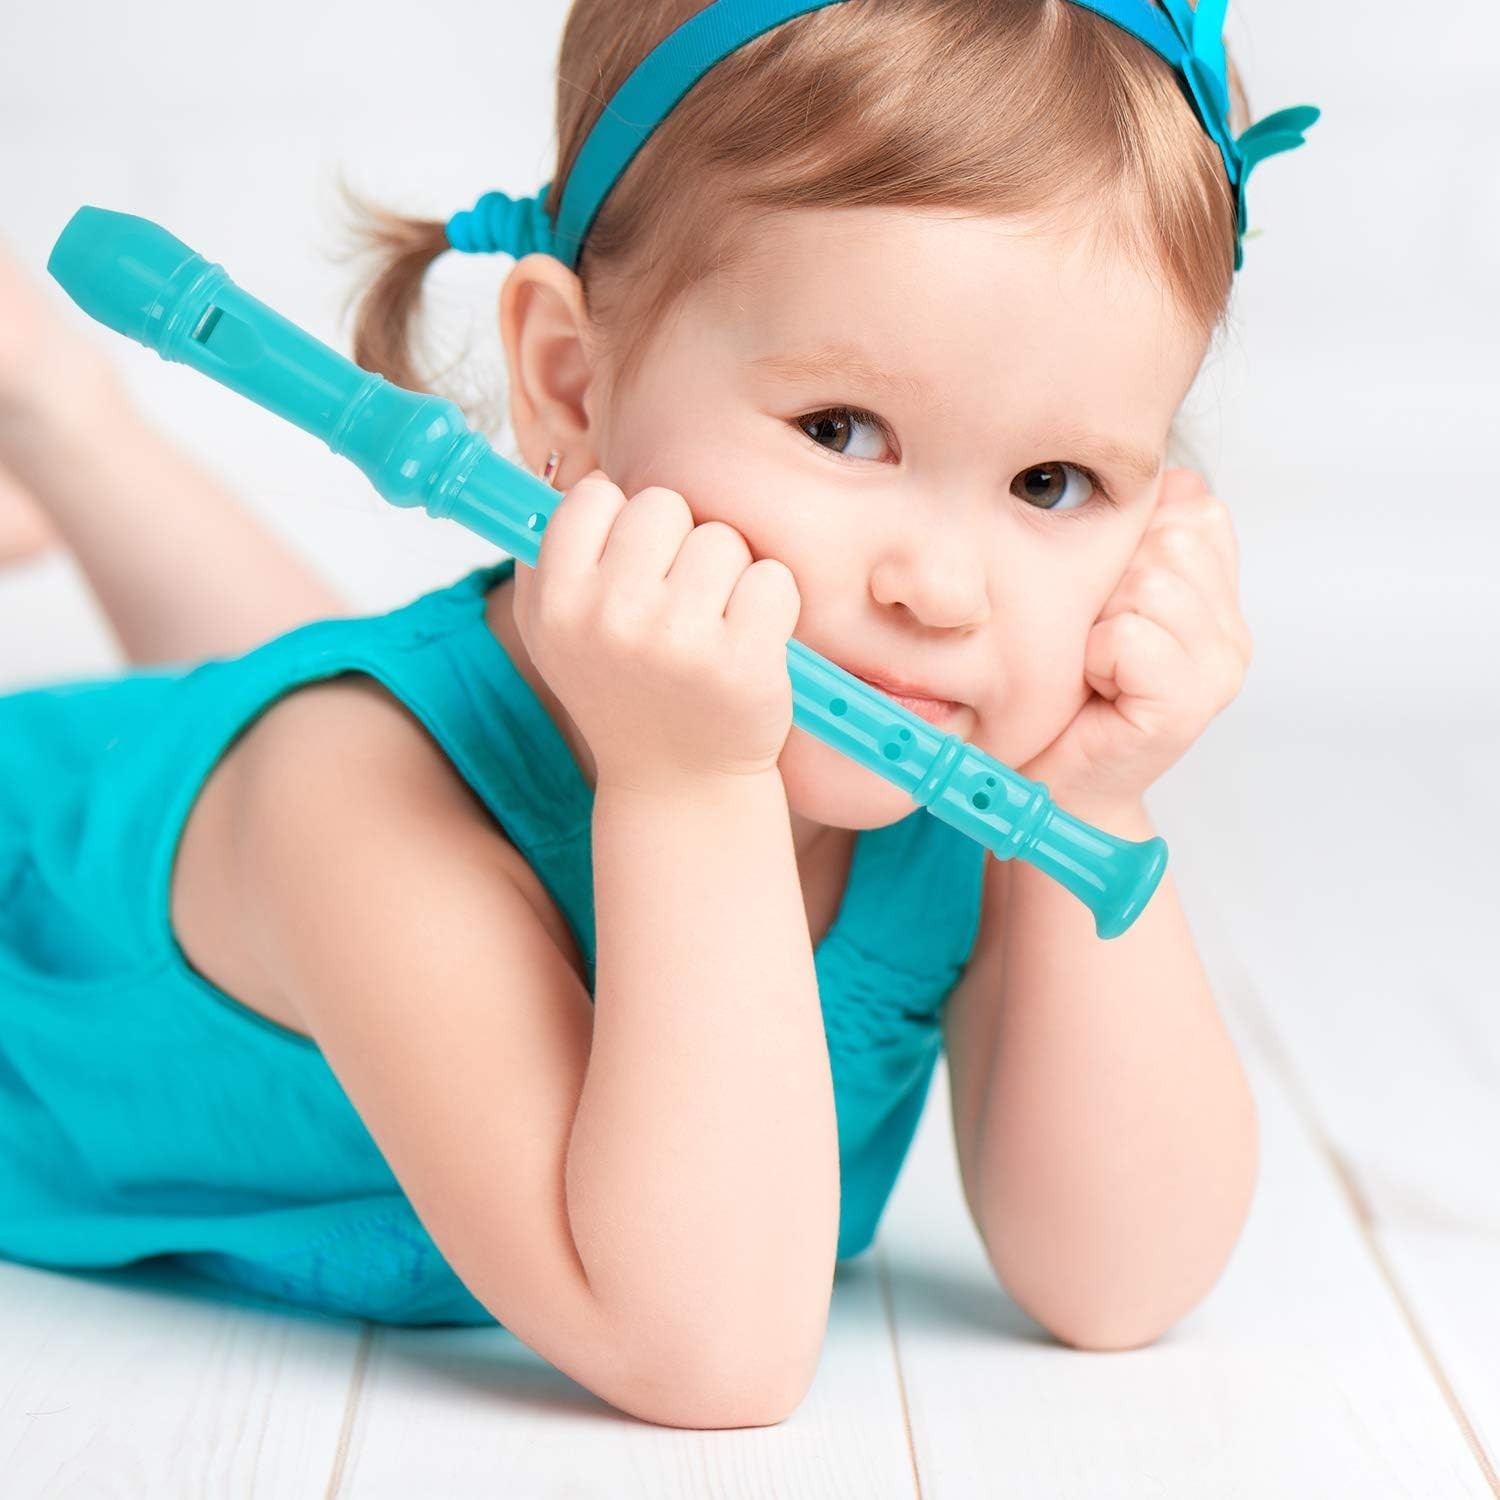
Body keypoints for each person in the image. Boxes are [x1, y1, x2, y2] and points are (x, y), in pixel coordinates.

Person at [0, 0, 1316, 1431]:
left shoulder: (942, 773)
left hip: (246, 776)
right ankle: (71, 425)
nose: (944, 590)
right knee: (331, 716)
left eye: (1055, 483)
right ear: (569, 382)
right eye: (838, 430)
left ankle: (67, 429)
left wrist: (1098, 802)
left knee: (284, 685)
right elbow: (710, 1350)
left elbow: (1117, 1281)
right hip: (55, 892)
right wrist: (691, 791)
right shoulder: (351, 800)